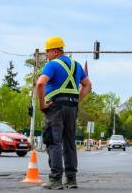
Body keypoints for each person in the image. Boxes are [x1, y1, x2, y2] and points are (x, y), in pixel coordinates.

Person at [36, 36, 91, 190]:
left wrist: (42, 104)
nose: (46, 55)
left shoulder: (52, 65)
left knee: (54, 141)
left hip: (55, 106)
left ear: (55, 51)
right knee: (69, 142)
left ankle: (55, 180)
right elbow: (87, 85)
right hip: (72, 107)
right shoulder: (76, 65)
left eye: (47, 52)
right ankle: (71, 179)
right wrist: (76, 99)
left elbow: (40, 83)